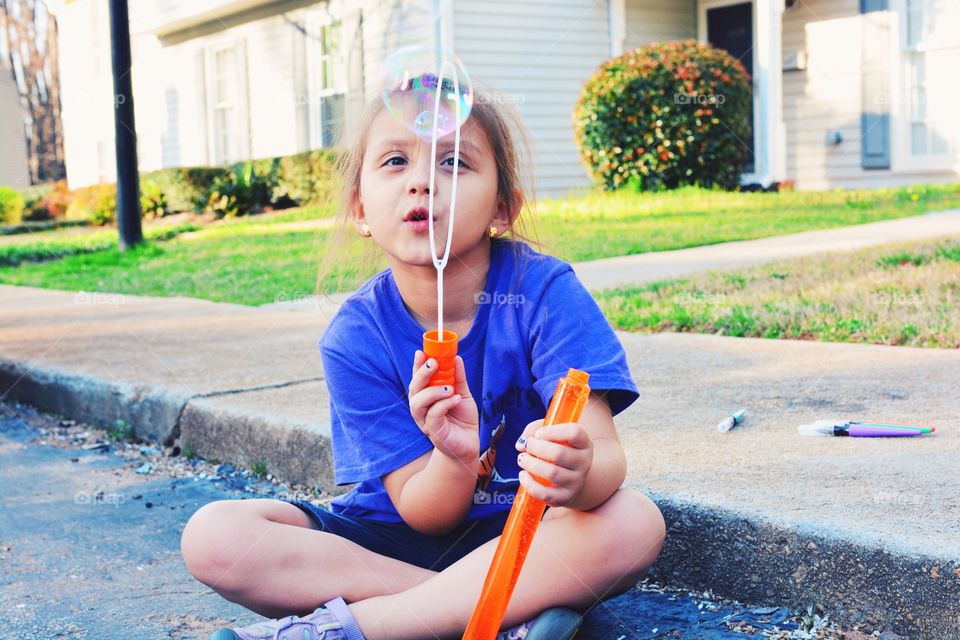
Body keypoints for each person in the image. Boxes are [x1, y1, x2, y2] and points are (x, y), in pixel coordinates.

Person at [180, 77, 666, 640]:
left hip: (527, 537)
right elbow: (425, 514)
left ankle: (357, 628)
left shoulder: (545, 293)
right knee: (215, 536)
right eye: (395, 161)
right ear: (360, 208)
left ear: (503, 208)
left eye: (454, 162)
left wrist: (577, 474)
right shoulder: (355, 336)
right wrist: (454, 458)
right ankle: (499, 615)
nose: (421, 182)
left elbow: (605, 458)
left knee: (634, 521)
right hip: (389, 546)